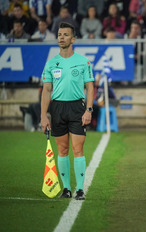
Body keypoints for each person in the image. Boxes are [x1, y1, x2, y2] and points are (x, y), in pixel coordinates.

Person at [40, 22, 94, 200]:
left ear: (73, 39)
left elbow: (90, 87)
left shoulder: (83, 62)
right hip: (57, 108)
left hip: (77, 108)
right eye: (59, 34)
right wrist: (43, 116)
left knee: (78, 149)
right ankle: (66, 189)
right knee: (62, 150)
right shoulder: (50, 63)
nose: (61, 37)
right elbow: (47, 90)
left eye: (65, 34)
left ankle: (79, 189)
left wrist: (89, 110)